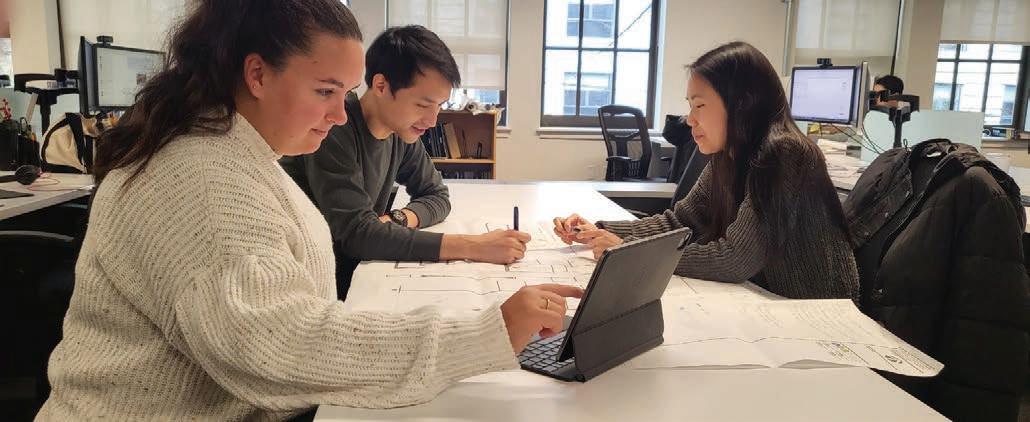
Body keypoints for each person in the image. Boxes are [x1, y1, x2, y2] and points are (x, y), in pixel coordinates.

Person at [37, 1, 581, 420]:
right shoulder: (199, 178)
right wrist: (485, 333)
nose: (340, 114)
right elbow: (276, 346)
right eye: (325, 91)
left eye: (343, 93)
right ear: (257, 74)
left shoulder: (240, 153)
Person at [553, 41, 858, 300]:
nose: (689, 119)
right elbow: (680, 222)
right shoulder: (728, 155)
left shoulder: (784, 153)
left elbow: (734, 259)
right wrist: (598, 231)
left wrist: (628, 251)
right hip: (765, 298)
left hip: (816, 312)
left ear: (742, 104)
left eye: (699, 106)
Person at [281, 26, 527, 298]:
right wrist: (473, 246)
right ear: (381, 86)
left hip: (361, 273)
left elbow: (437, 195)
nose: (432, 121)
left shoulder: (400, 131)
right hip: (318, 288)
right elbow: (357, 236)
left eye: (439, 106)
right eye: (423, 105)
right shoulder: (334, 129)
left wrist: (397, 219)